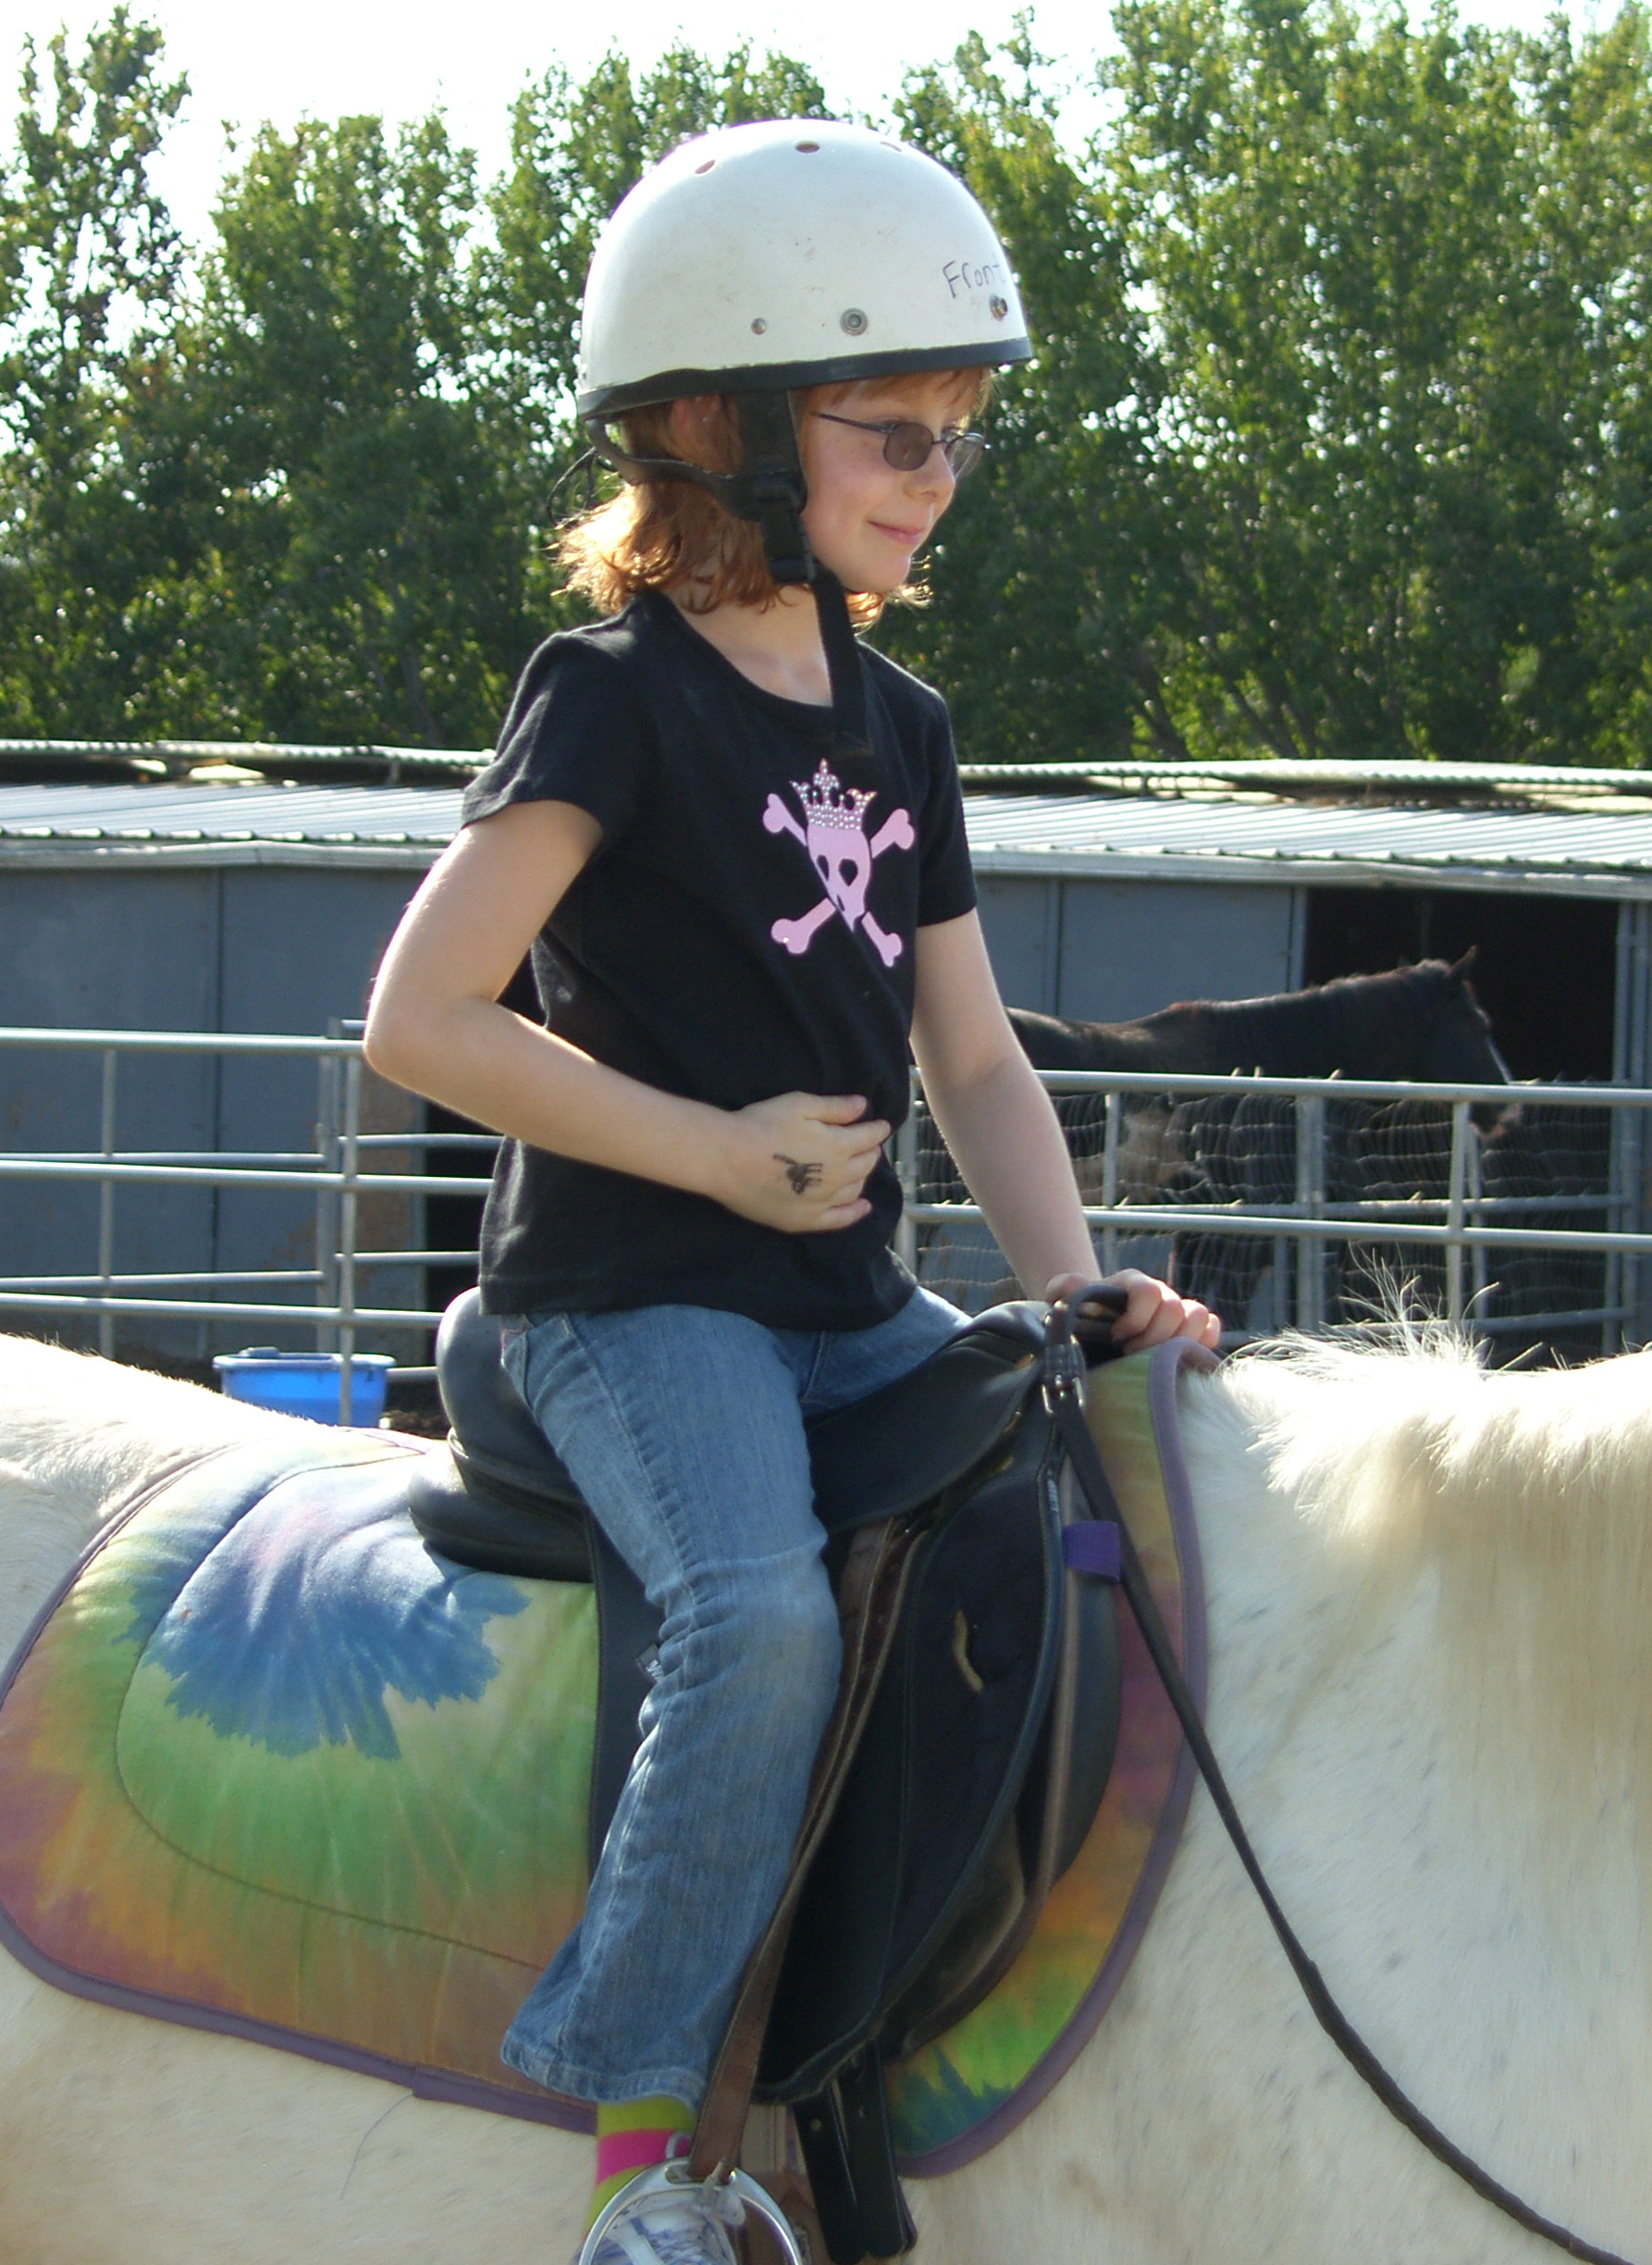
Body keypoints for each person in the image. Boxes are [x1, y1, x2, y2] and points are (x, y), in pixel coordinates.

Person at [361, 119, 1219, 2265]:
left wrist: (1081, 1291)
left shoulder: (901, 724)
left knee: (1119, 1510)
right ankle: (644, 2156)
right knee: (752, 1622)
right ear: (721, 425)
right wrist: (720, 1156)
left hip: (847, 1307)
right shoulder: (609, 699)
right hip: (629, 1299)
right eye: (893, 431)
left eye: (959, 437)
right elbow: (423, 1020)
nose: (940, 476)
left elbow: (975, 1059)